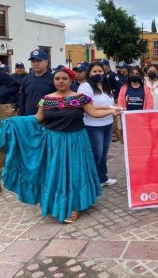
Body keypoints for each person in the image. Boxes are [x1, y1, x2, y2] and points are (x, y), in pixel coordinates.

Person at [0, 66, 122, 222]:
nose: (60, 81)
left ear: (71, 80)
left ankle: (73, 205)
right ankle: (56, 203)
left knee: (74, 173)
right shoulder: (46, 99)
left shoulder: (80, 98)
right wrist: (14, 122)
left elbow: (93, 112)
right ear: (53, 81)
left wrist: (111, 111)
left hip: (76, 141)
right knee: (56, 174)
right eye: (57, 78)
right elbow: (38, 118)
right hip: (53, 143)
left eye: (64, 78)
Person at [78, 62, 118, 187]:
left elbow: (109, 103)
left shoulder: (106, 86)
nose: (97, 74)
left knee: (104, 154)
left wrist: (115, 107)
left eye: (100, 71)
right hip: (93, 126)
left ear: (104, 72)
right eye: (94, 71)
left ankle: (102, 178)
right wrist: (110, 109)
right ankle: (92, 180)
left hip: (107, 124)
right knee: (96, 154)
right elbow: (90, 107)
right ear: (89, 73)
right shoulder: (85, 87)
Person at [19, 50, 55, 116]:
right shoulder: (26, 79)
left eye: (39, 61)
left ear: (46, 62)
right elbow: (22, 100)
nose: (35, 63)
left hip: (48, 121)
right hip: (29, 120)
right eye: (33, 61)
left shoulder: (54, 79)